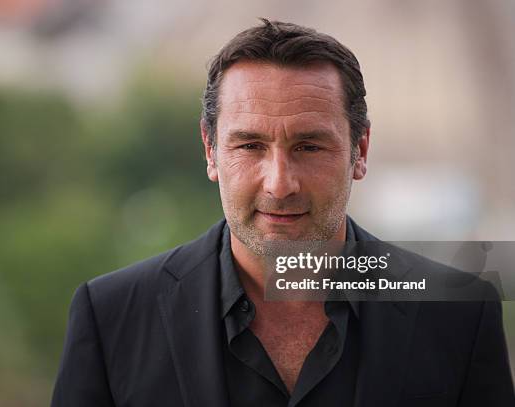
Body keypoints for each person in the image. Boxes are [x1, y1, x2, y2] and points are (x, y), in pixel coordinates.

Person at [51, 19, 514, 406]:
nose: (279, 183)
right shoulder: (110, 317)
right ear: (210, 151)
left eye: (309, 146)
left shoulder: (460, 312)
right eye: (250, 145)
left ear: (360, 151)